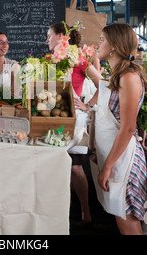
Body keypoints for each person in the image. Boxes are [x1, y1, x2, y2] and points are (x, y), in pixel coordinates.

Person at [90, 23, 147, 235]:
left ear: (114, 46)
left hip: (124, 160)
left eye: (102, 40)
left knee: (127, 219)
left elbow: (127, 128)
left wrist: (107, 166)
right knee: (119, 214)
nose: (98, 44)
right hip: (113, 155)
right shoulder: (115, 73)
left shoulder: (129, 77)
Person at [46, 22, 102, 225]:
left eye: (50, 36)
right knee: (56, 165)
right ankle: (64, 207)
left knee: (76, 168)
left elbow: (102, 83)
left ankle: (86, 210)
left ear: (62, 36)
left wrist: (88, 105)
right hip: (52, 117)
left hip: (75, 120)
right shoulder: (49, 59)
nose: (47, 40)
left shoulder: (78, 58)